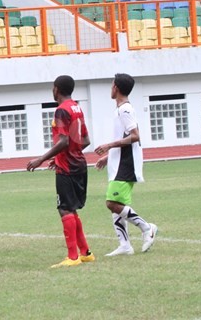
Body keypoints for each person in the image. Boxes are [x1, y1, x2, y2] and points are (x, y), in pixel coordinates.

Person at [26, 75, 94, 268]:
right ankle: (86, 252)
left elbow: (63, 141)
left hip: (68, 167)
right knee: (71, 208)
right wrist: (63, 155)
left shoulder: (61, 111)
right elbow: (85, 140)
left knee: (64, 208)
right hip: (79, 164)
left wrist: (41, 159)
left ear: (56, 89)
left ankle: (73, 257)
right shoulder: (77, 107)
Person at [94, 74, 158, 257]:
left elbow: (135, 136)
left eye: (112, 84)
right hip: (119, 162)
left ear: (116, 88)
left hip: (127, 164)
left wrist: (108, 146)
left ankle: (147, 228)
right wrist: (108, 157)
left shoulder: (125, 110)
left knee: (112, 203)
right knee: (118, 203)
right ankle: (125, 245)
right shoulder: (120, 110)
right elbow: (124, 137)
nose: (110, 87)